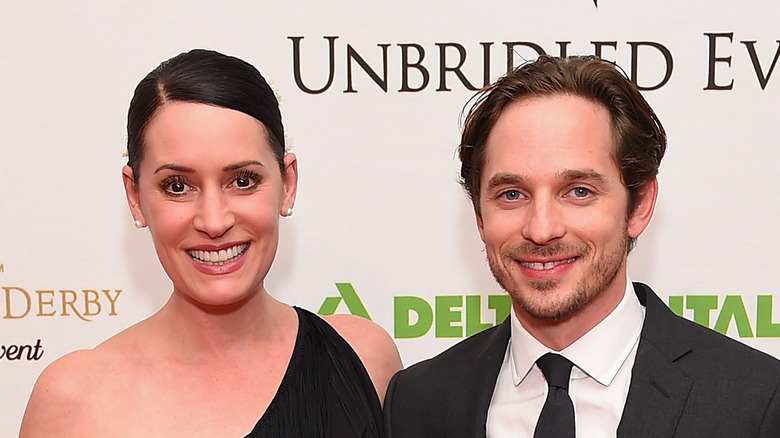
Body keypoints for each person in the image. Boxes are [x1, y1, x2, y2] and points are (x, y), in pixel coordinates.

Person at [383, 55, 780, 437]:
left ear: (639, 204)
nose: (541, 229)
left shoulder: (756, 402)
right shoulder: (417, 403)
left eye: (578, 191)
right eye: (511, 194)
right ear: (480, 216)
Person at [20, 49, 402, 437]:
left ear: (288, 184)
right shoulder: (74, 400)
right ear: (135, 196)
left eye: (242, 180)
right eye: (177, 186)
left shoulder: (363, 359)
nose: (215, 221)